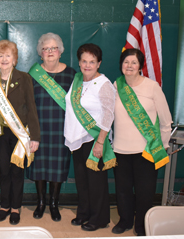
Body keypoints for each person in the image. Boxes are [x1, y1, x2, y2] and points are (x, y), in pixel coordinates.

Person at [111, 49, 172, 236]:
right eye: (126, 62)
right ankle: (125, 220)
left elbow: (165, 121)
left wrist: (160, 146)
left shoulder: (152, 87)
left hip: (146, 151)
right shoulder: (116, 85)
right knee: (122, 191)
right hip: (120, 150)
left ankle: (142, 226)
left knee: (145, 193)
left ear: (140, 66)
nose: (129, 66)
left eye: (134, 62)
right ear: (121, 64)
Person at [64, 43, 116, 232]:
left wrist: (101, 141)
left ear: (99, 63)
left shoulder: (104, 84)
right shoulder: (78, 79)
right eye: (84, 61)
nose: (87, 65)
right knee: (82, 181)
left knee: (96, 182)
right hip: (77, 139)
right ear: (79, 62)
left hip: (94, 139)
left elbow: (109, 115)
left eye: (92, 61)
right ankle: (84, 213)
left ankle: (99, 218)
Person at [0, 40, 40, 225]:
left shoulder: (24, 78)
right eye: (0, 56)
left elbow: (32, 108)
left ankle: (16, 207)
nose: (4, 59)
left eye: (8, 55)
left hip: (19, 134)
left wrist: (35, 136)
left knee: (17, 172)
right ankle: (4, 206)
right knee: (3, 171)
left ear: (15, 59)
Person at [27, 33, 76, 221]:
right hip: (38, 129)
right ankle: (40, 203)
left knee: (58, 167)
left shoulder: (72, 74)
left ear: (60, 51)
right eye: (46, 48)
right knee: (39, 167)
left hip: (62, 130)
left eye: (53, 48)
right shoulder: (32, 74)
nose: (50, 51)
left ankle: (54, 204)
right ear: (40, 53)